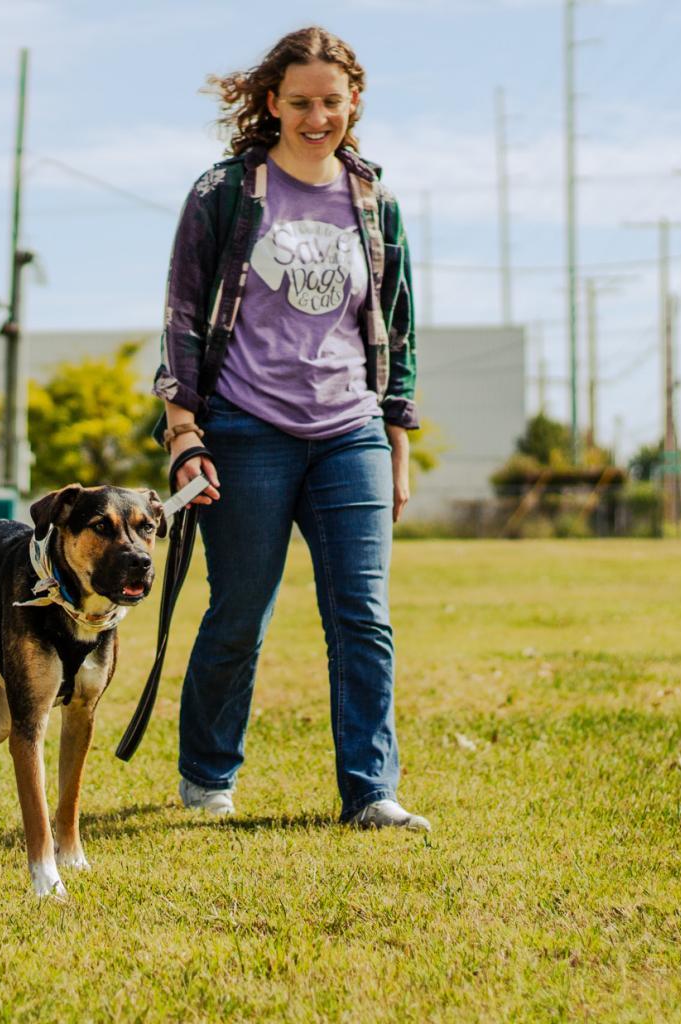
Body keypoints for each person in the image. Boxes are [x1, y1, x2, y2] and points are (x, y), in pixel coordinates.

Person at [152, 26, 429, 832]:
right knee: (240, 610)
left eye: (331, 103)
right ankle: (208, 775)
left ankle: (371, 792)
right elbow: (180, 315)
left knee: (363, 616)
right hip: (245, 429)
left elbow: (400, 330)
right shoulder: (226, 193)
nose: (317, 118)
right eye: (300, 102)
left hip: (351, 434)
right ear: (271, 102)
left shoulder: (376, 202)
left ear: (354, 103)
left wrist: (397, 446)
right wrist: (184, 432)